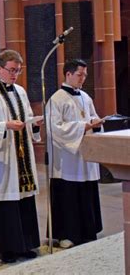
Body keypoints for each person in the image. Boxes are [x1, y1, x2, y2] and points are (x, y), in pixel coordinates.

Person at [0, 49, 42, 264]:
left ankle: (26, 244)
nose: (14, 75)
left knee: (23, 197)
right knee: (6, 199)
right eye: (11, 70)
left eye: (18, 71)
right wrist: (5, 126)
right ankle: (7, 248)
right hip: (2, 156)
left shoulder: (20, 91)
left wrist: (34, 125)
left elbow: (27, 116)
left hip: (21, 157)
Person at [45, 59, 103, 249]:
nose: (83, 78)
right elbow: (54, 129)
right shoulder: (56, 99)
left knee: (86, 193)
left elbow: (92, 116)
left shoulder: (86, 97)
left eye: (85, 75)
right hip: (67, 160)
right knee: (68, 195)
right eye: (80, 74)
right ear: (68, 74)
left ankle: (87, 231)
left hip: (85, 157)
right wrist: (83, 126)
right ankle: (66, 233)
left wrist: (96, 122)